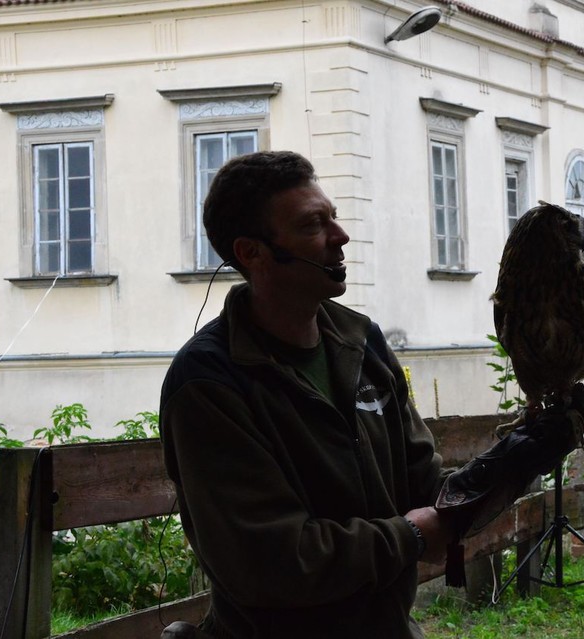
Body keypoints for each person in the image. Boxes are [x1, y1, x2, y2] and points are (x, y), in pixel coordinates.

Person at [159, 150, 454, 638]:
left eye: (333, 217)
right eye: (314, 225)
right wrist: (412, 535)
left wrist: (518, 457)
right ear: (252, 252)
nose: (340, 237)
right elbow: (273, 561)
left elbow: (425, 482)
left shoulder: (362, 343)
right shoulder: (209, 383)